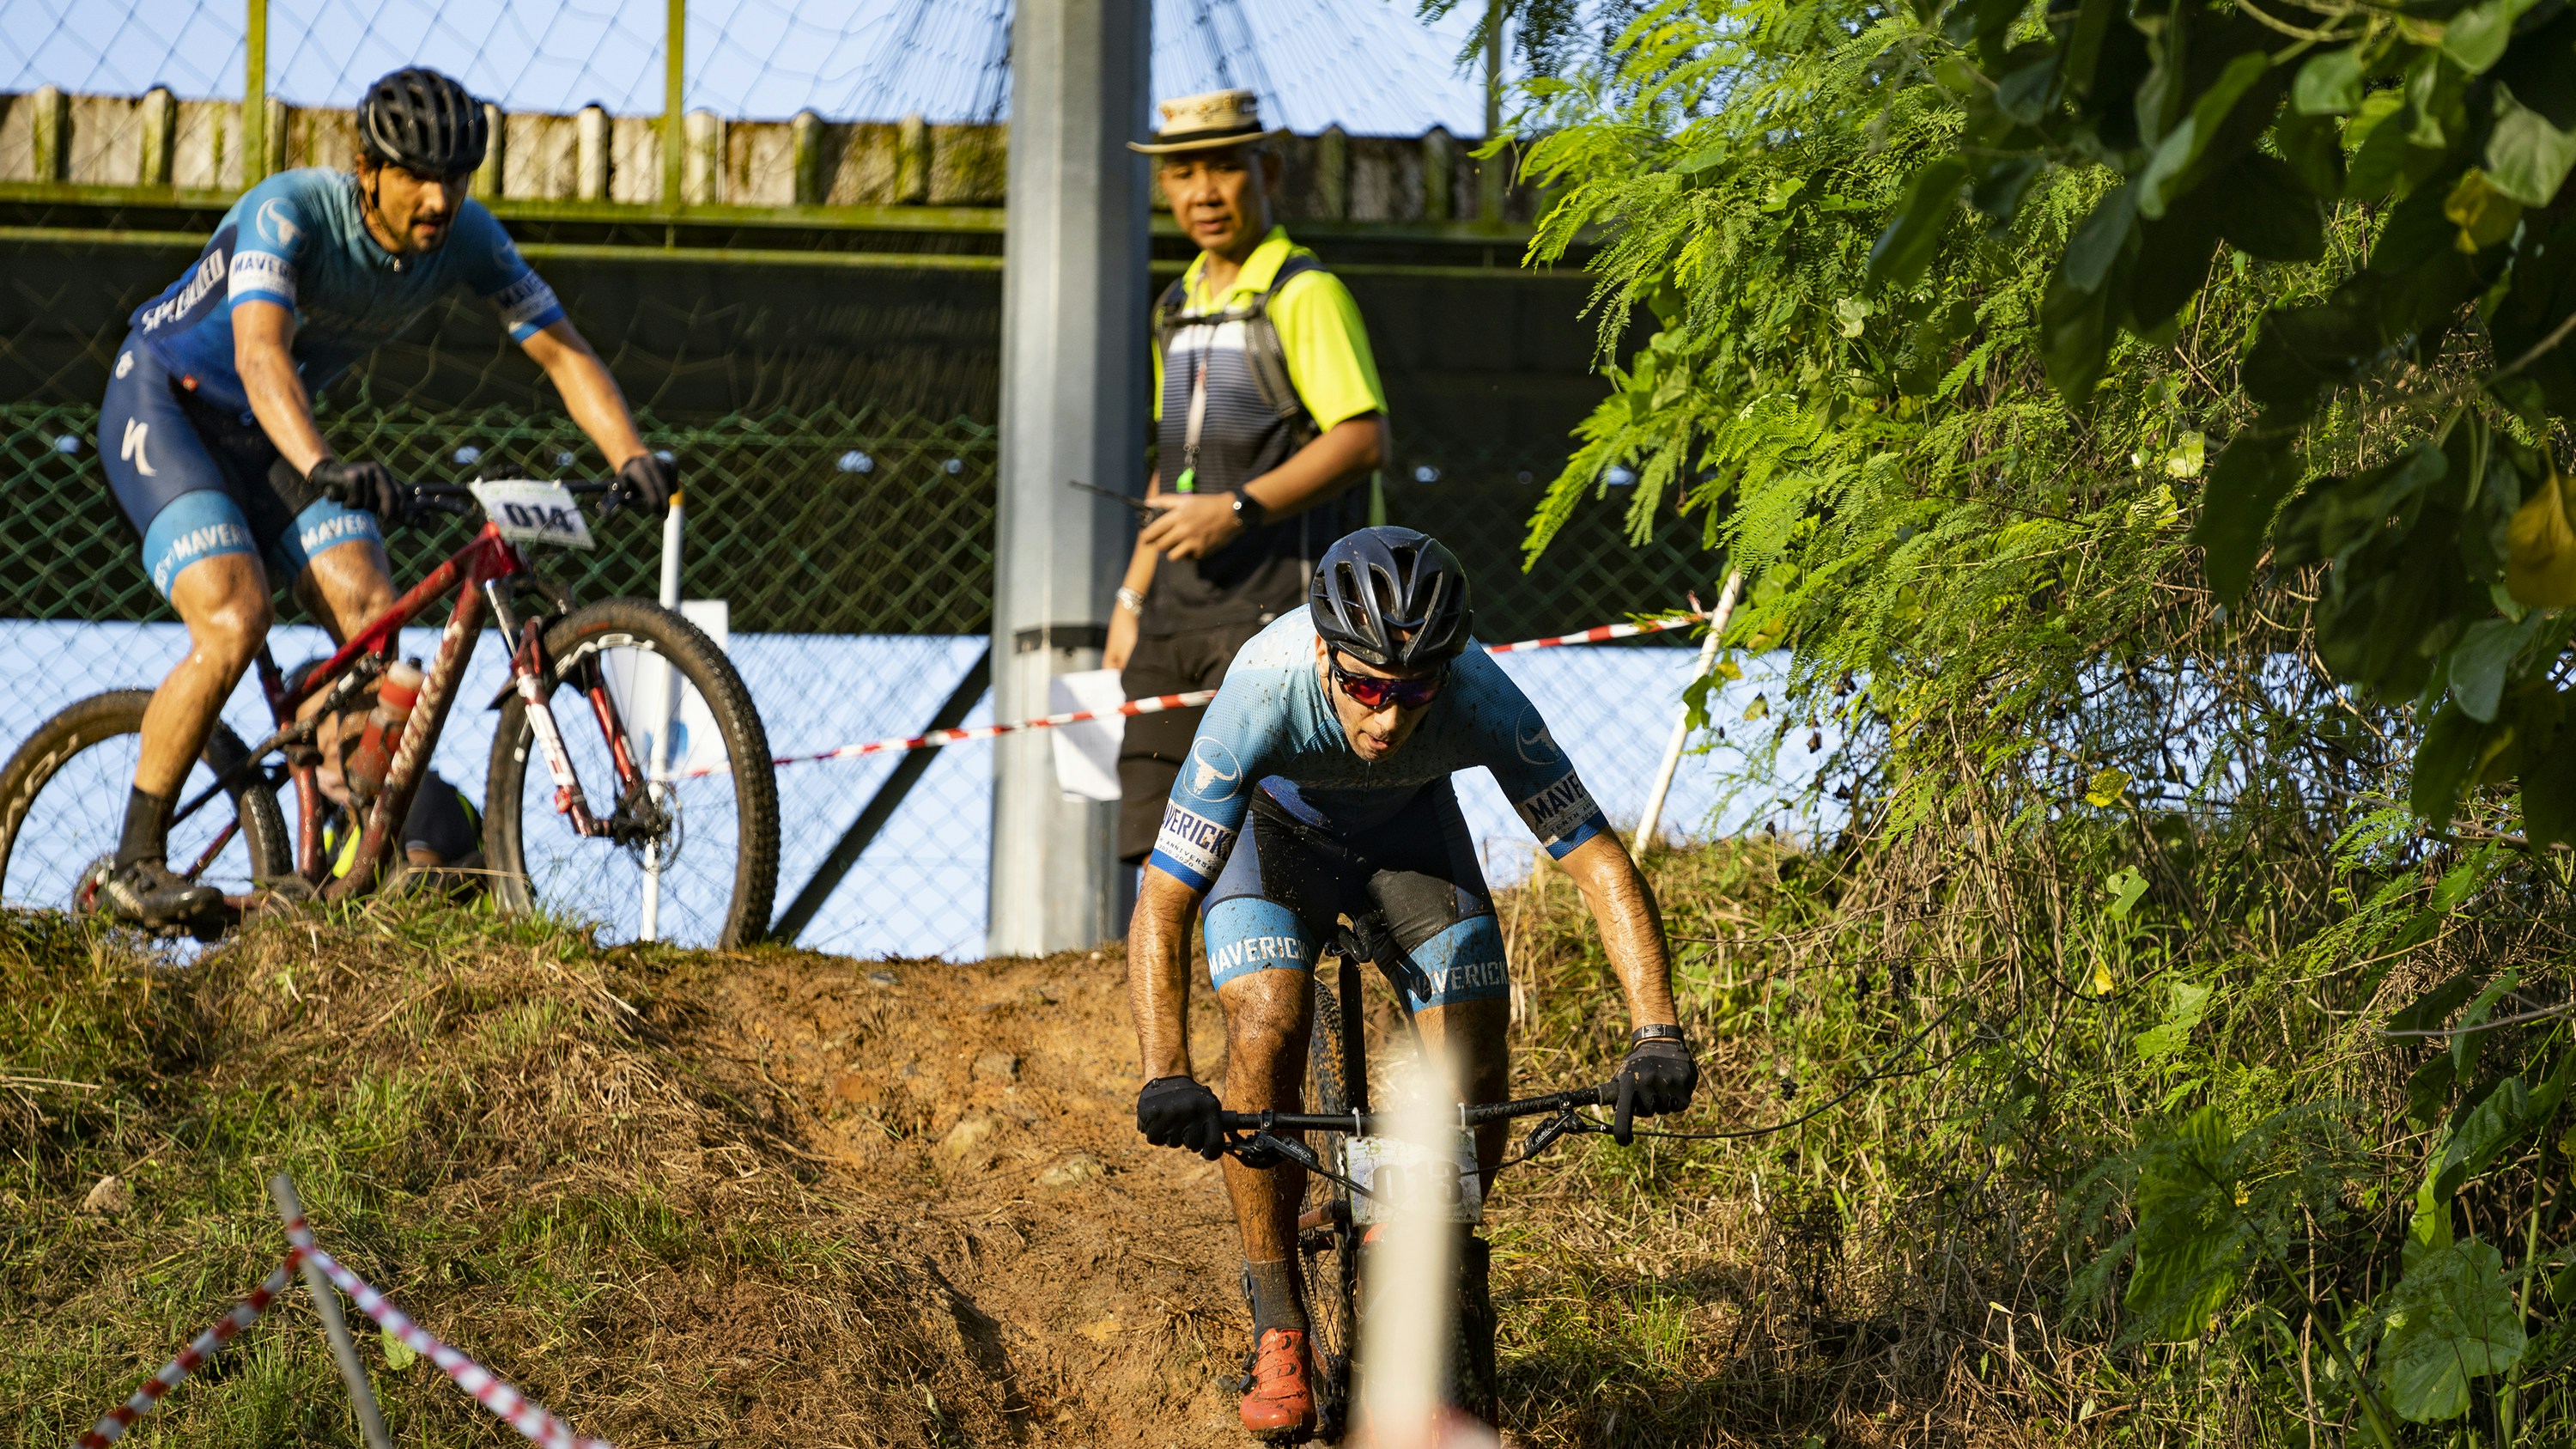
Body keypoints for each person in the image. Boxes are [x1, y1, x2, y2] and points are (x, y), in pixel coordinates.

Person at [1123, 527, 1699, 1438]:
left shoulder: (1481, 695)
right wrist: (1165, 1068)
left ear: (1449, 670)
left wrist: (1655, 1031)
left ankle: (1434, 1260)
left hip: (1408, 838)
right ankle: (1279, 1320)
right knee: (1268, 1016)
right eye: (1363, 687)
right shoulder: (1262, 688)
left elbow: (1600, 864)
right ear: (1323, 652)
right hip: (1277, 843)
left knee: (1472, 1031)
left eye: (1415, 691)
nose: (1388, 719)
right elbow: (1162, 897)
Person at [93, 66, 671, 926]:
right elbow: (259, 356)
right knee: (234, 616)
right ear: (367, 167)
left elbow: (561, 350)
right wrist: (323, 463)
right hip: (166, 403)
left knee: (372, 611)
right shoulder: (288, 211)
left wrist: (631, 454)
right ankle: (133, 861)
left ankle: (353, 852)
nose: (440, 198)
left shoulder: (468, 237)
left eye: (457, 178)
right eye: (417, 176)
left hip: (272, 432)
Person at [1106, 88, 1391, 876]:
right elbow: (1180, 460)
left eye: (1224, 167)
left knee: (1265, 847)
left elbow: (1364, 438)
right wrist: (1131, 600)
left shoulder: (1305, 293)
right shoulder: (1176, 304)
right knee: (1156, 855)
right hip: (1169, 620)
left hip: (1276, 614)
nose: (1203, 191)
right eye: (1182, 173)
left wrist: (1236, 510)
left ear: (1265, 170)